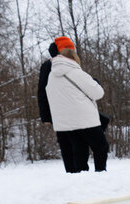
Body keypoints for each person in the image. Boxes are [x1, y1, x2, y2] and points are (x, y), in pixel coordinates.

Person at [45, 36, 108, 172]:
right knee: (101, 147)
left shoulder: (51, 75)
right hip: (85, 120)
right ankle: (101, 176)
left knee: (79, 151)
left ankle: (80, 181)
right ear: (73, 57)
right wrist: (95, 82)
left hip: (64, 123)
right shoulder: (76, 72)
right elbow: (98, 93)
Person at [38, 41, 81, 173]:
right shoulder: (48, 65)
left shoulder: (73, 64)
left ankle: (79, 174)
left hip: (74, 109)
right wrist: (46, 115)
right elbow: (42, 90)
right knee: (68, 143)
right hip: (60, 111)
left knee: (77, 142)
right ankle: (73, 174)